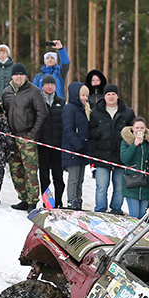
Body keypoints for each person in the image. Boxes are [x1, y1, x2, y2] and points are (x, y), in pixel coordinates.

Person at [2, 62, 46, 210]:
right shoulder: (6, 92)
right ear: (12, 76)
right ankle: (23, 199)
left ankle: (32, 202)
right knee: (16, 171)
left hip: (27, 137)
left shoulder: (34, 91)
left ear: (25, 76)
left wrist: (33, 134)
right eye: (16, 74)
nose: (18, 77)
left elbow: (42, 114)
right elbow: (4, 114)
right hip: (12, 138)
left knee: (30, 171)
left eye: (21, 74)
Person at [89, 82, 135, 214]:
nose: (110, 97)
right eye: (108, 94)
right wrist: (97, 133)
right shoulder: (96, 112)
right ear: (104, 96)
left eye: (113, 94)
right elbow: (89, 132)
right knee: (101, 186)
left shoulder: (128, 113)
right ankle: (100, 210)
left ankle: (116, 209)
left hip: (121, 157)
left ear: (118, 96)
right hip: (101, 156)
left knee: (120, 188)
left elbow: (134, 131)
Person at [61, 81, 94, 210]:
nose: (85, 98)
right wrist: (78, 146)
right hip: (73, 151)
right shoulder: (69, 108)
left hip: (82, 151)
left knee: (80, 180)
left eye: (86, 96)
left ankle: (78, 201)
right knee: (73, 179)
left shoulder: (83, 109)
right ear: (76, 95)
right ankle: (71, 201)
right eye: (83, 95)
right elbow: (68, 130)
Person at [37, 75, 65, 207]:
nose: (50, 86)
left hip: (58, 146)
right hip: (42, 145)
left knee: (58, 176)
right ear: (42, 86)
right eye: (47, 84)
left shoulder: (62, 102)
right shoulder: (37, 101)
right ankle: (47, 202)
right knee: (44, 175)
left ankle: (58, 201)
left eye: (52, 84)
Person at [120, 116, 149, 217]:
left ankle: (142, 233)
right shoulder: (126, 141)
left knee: (143, 215)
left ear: (145, 129)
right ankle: (133, 233)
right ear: (133, 129)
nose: (139, 130)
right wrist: (134, 144)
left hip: (146, 184)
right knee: (134, 214)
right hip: (131, 182)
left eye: (142, 128)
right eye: (137, 128)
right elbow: (124, 159)